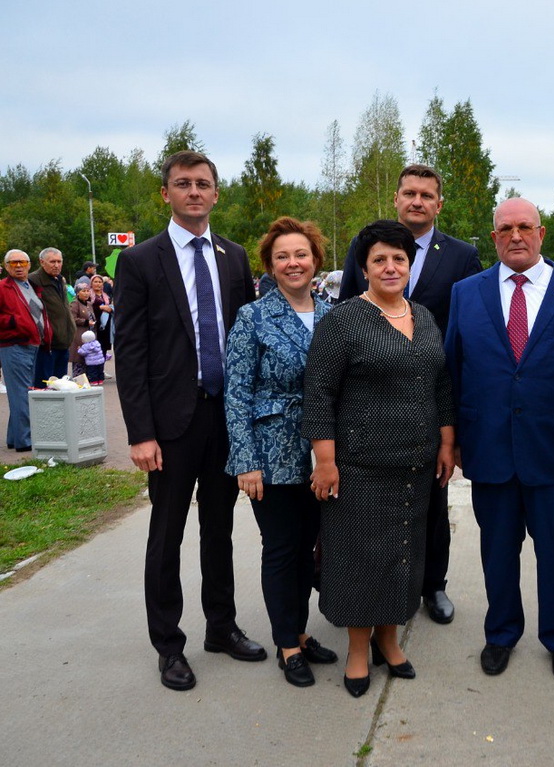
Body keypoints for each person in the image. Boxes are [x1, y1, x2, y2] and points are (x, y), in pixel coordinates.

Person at [114, 150, 264, 692]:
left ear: (216, 193)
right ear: (166, 194)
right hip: (171, 424)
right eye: (183, 184)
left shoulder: (234, 256)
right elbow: (130, 351)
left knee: (219, 530)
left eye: (203, 184)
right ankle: (169, 645)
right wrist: (141, 433)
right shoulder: (140, 261)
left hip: (223, 418)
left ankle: (220, 627)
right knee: (167, 535)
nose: (194, 192)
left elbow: (243, 340)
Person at [445, 197, 554, 683]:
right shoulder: (465, 293)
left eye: (525, 227)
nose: (516, 236)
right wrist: (453, 439)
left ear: (541, 233)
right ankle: (501, 634)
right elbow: (452, 370)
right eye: (505, 229)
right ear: (494, 236)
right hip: (488, 445)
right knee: (497, 551)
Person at [302, 219, 455, 698]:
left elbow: (441, 385)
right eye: (379, 260)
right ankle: (357, 649)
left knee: (403, 557)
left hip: (416, 466)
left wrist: (446, 443)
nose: (390, 267)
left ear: (410, 265)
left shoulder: (423, 317)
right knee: (359, 559)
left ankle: (388, 641)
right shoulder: (343, 320)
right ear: (364, 268)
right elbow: (319, 393)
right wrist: (325, 461)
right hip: (360, 467)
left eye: (399, 259)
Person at [339, 163, 481, 625]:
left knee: (432, 500)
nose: (417, 201)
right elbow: (345, 314)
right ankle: (376, 588)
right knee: (374, 505)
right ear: (396, 199)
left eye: (426, 195)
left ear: (439, 204)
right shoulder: (364, 247)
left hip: (429, 398)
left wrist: (453, 421)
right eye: (409, 193)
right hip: (372, 400)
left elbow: (468, 332)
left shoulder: (462, 256)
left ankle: (433, 585)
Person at [225, 217, 337, 688]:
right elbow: (236, 393)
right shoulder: (253, 317)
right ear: (270, 266)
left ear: (316, 260)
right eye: (282, 257)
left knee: (310, 547)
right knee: (281, 549)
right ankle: (286, 644)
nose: (293, 263)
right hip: (272, 453)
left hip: (324, 453)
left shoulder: (335, 313)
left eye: (301, 254)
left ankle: (301, 631)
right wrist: (246, 460)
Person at [1, 249, 52, 452]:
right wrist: (15, 322)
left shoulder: (30, 286)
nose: (18, 266)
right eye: (13, 263)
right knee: (22, 393)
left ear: (29, 265)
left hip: (33, 345)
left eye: (22, 262)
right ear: (6, 267)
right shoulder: (3, 287)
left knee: (21, 392)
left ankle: (14, 438)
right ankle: (25, 440)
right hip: (14, 345)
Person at [29, 247, 75, 386]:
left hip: (63, 341)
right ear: (42, 262)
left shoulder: (60, 280)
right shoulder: (33, 280)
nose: (56, 265)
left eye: (59, 261)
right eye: (52, 262)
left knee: (60, 386)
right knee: (44, 387)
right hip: (46, 344)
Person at [69, 281, 95, 377]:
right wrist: (85, 322)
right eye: (83, 291)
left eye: (88, 291)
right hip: (79, 336)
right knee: (79, 360)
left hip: (90, 336)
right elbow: (72, 318)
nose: (86, 293)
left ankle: (88, 379)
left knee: (88, 360)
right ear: (77, 293)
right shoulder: (74, 303)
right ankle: (78, 379)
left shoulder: (89, 304)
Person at [89, 273, 114, 354]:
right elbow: (87, 308)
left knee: (103, 349)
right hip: (94, 325)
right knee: (94, 350)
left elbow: (110, 306)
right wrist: (100, 307)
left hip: (105, 325)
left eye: (100, 282)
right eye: (95, 282)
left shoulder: (105, 295)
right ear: (91, 283)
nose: (98, 284)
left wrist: (110, 308)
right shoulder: (88, 295)